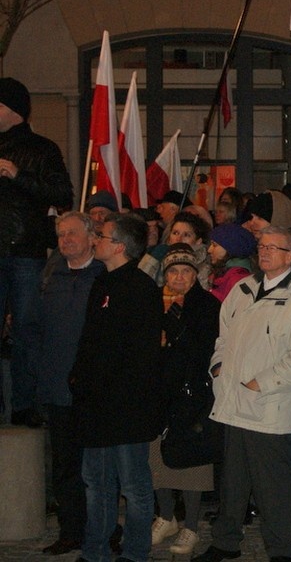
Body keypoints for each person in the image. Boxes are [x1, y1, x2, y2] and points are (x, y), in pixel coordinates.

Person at [193, 225, 291, 562]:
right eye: (262, 247)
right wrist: (218, 367)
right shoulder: (243, 289)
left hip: (267, 407)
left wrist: (262, 382)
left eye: (273, 248)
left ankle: (280, 550)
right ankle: (226, 540)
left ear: (290, 256)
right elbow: (223, 336)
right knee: (232, 480)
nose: (264, 252)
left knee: (272, 486)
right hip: (232, 401)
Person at [69, 213, 163, 562]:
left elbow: (141, 356)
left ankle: (135, 552)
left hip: (126, 409)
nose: (95, 240)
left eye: (102, 235)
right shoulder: (101, 283)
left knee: (134, 486)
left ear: (120, 245)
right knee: (97, 484)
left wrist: (115, 391)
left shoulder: (140, 289)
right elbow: (90, 340)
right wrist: (78, 378)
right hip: (95, 406)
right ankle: (95, 549)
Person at [0, 76, 73, 428]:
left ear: (12, 110)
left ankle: (24, 403)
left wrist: (17, 175)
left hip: (27, 252)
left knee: (27, 329)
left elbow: (63, 194)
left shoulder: (43, 149)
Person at [36, 212, 105, 556]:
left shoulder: (105, 276)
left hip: (94, 391)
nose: (65, 240)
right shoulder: (51, 276)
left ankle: (103, 530)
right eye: (61, 235)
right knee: (65, 466)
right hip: (58, 387)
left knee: (97, 468)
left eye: (72, 233)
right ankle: (71, 530)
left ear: (92, 237)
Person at [148, 244, 221, 556]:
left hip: (192, 395)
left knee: (192, 464)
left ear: (195, 275)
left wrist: (177, 331)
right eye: (173, 271)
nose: (179, 277)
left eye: (185, 271)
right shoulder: (152, 302)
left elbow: (205, 348)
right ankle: (166, 516)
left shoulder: (205, 305)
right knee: (157, 459)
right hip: (158, 393)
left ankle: (190, 525)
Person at [207, 222, 256, 302]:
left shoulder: (237, 281)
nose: (209, 250)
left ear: (231, 249)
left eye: (214, 245)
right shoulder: (223, 275)